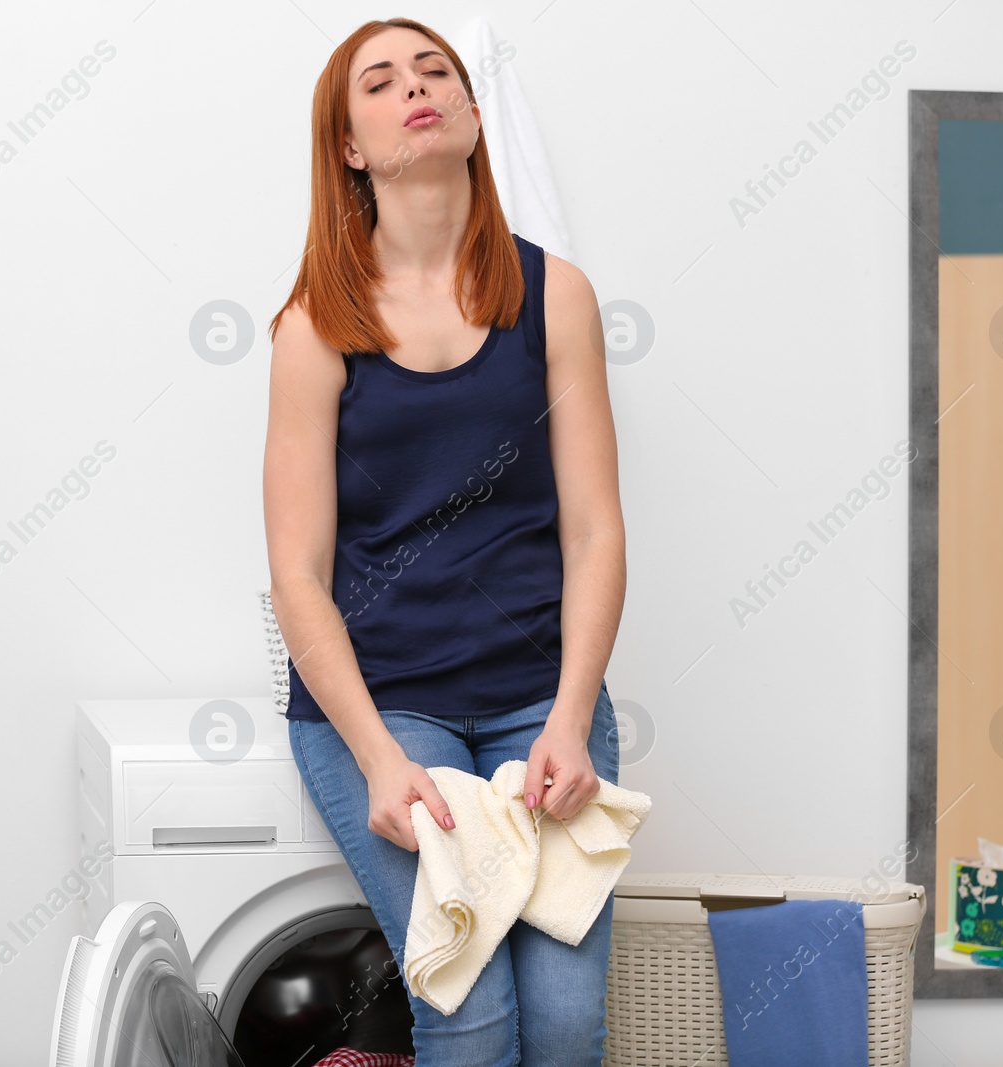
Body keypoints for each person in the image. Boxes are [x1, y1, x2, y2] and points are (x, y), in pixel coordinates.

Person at [262, 16, 625, 1067]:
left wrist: (569, 716)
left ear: (472, 118)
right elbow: (296, 571)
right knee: (471, 1011)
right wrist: (378, 757)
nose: (414, 87)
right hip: (384, 705)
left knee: (564, 1025)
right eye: (379, 82)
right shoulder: (314, 327)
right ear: (350, 147)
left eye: (436, 71)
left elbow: (597, 530)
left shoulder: (555, 293)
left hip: (540, 700)